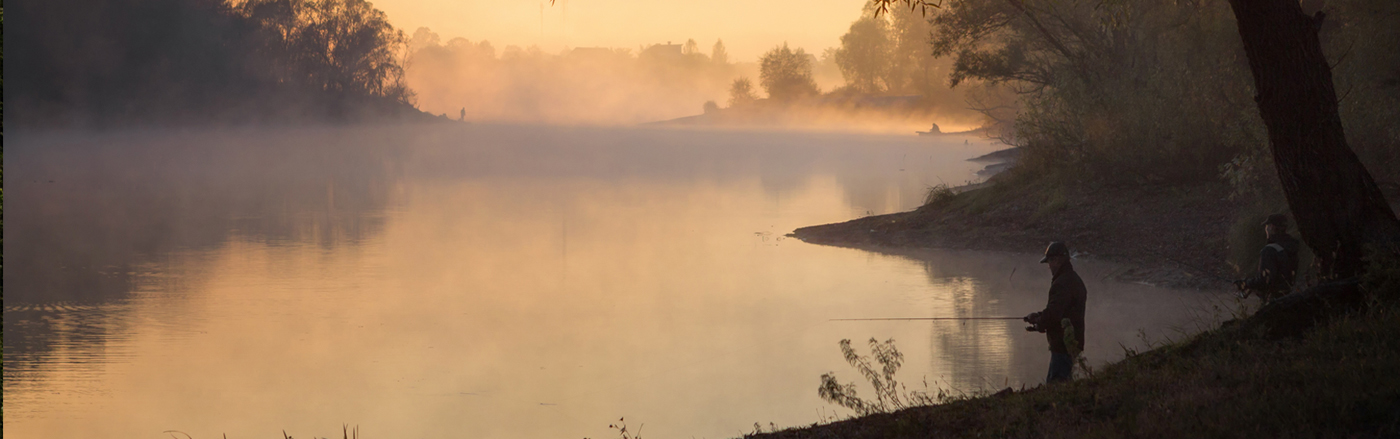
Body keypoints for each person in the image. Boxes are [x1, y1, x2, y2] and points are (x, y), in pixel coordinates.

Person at [1023, 241, 1088, 384]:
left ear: (1057, 260)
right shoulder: (1072, 279)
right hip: (1071, 341)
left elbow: (1053, 315)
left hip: (1063, 344)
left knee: (1056, 384)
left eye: (1050, 262)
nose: (1049, 267)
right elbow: (1060, 310)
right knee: (1065, 383)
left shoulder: (1062, 283)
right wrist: (1038, 317)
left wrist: (1040, 322)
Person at [1234, 213, 1300, 302]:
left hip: (1273, 302)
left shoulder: (1270, 250)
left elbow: (1264, 281)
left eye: (1267, 226)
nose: (1266, 229)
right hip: (1290, 299)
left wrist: (1245, 283)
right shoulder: (1291, 247)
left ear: (1271, 227)